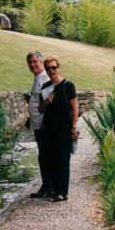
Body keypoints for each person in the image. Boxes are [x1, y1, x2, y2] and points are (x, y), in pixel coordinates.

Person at [40, 55, 79, 202]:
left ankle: (63, 192)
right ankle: (54, 190)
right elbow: (40, 109)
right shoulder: (45, 87)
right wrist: (46, 102)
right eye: (48, 68)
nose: (51, 70)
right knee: (52, 160)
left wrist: (73, 127)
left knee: (63, 160)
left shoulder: (68, 85)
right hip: (49, 129)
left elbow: (75, 107)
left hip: (64, 128)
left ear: (58, 67)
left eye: (53, 67)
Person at [26, 51, 51, 199]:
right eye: (30, 62)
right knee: (43, 156)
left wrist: (44, 123)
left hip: (43, 125)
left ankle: (48, 186)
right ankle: (46, 185)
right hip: (37, 124)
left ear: (41, 62)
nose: (32, 65)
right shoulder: (37, 78)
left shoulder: (44, 79)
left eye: (35, 61)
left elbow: (48, 103)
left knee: (45, 156)